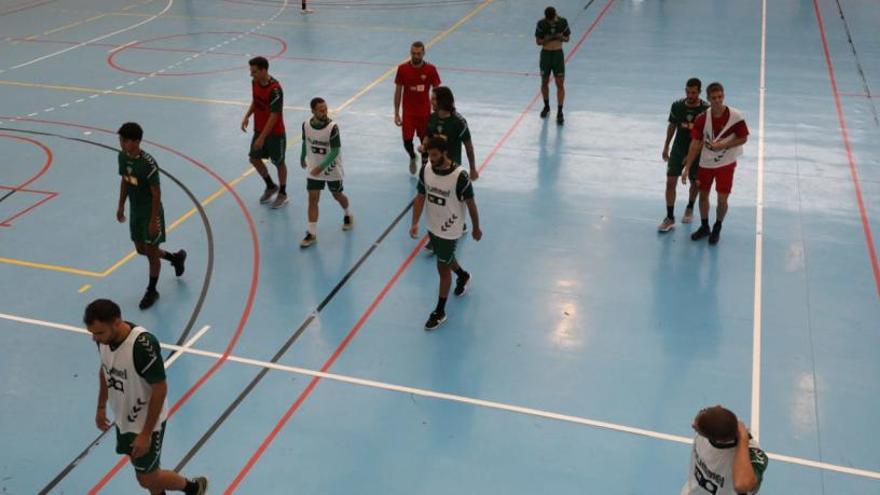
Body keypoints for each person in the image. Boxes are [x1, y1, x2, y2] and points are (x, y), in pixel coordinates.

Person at [85, 299, 207, 494]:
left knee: (148, 477)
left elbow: (160, 388)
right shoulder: (104, 341)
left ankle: (194, 488)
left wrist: (146, 433)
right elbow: (105, 370)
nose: (95, 339)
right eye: (92, 333)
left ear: (117, 322)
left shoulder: (142, 345)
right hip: (124, 418)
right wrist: (101, 406)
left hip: (148, 421)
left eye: (99, 333)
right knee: (144, 471)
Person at [410, 137, 482, 330]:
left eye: (434, 155)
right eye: (428, 154)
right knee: (447, 258)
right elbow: (420, 197)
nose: (430, 159)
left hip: (450, 229)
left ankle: (440, 311)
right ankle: (463, 275)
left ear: (444, 153)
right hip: (432, 226)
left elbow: (471, 203)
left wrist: (476, 227)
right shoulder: (426, 170)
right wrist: (415, 222)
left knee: (442, 268)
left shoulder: (460, 176)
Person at [116, 122, 186, 310]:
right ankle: (174, 258)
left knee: (152, 253)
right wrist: (121, 205)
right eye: (120, 140)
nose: (121, 143)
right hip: (135, 211)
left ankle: (152, 290)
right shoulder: (122, 157)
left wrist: (154, 221)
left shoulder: (148, 164)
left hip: (150, 212)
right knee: (141, 249)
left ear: (136, 141)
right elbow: (124, 180)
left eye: (125, 140)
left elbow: (156, 193)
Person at [682, 82, 749, 245]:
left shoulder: (736, 116)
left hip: (726, 164)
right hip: (706, 164)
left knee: (722, 199)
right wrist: (688, 167)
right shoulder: (702, 119)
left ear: (723, 96)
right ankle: (705, 226)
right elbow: (695, 144)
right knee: (703, 196)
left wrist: (723, 145)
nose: (717, 101)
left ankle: (717, 226)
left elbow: (743, 138)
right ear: (708, 99)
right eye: (714, 98)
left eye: (720, 97)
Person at [299, 97, 353, 248]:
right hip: (314, 168)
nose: (324, 112)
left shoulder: (333, 128)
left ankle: (348, 213)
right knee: (313, 199)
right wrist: (302, 156)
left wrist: (321, 167)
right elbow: (306, 141)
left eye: (325, 109)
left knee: (337, 196)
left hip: (331, 168)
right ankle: (311, 233)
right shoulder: (306, 125)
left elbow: (335, 151)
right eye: (321, 110)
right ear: (313, 111)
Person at [681, 405, 768, 495]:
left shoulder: (752, 455)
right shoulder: (713, 420)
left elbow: (742, 485)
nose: (693, 424)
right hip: (694, 491)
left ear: (720, 440)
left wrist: (743, 439)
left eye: (697, 430)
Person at [659, 78, 708, 232]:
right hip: (678, 149)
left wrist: (691, 156)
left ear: (700, 92)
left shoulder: (706, 110)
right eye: (687, 91)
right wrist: (666, 146)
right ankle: (670, 217)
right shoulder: (677, 105)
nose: (690, 95)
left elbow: (705, 137)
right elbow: (672, 125)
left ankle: (690, 206)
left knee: (695, 182)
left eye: (693, 92)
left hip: (697, 150)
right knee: (670, 182)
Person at [241, 56, 288, 209]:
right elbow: (256, 101)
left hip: (275, 134)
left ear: (263, 70)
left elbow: (274, 116)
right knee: (254, 159)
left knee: (278, 163)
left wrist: (262, 137)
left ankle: (282, 192)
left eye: (254, 71)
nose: (251, 74)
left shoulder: (275, 90)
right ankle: (270, 186)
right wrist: (247, 116)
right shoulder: (255, 82)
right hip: (259, 129)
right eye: (251, 71)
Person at [394, 41, 441, 175]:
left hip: (425, 113)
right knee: (407, 141)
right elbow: (398, 91)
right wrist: (396, 113)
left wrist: (437, 112)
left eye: (418, 53)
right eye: (413, 53)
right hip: (408, 113)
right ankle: (413, 157)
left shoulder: (431, 70)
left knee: (425, 143)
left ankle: (424, 171)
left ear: (423, 53)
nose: (416, 56)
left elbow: (437, 91)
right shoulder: (402, 69)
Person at [423, 86, 478, 181]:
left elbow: (469, 147)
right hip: (435, 168)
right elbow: (427, 137)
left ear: (443, 101)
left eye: (434, 99)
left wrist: (472, 169)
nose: (431, 101)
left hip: (452, 171)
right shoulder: (432, 118)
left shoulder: (458, 122)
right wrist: (424, 146)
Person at [535, 6, 571, 125]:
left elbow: (567, 38)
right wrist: (549, 38)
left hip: (557, 55)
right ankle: (546, 106)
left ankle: (560, 112)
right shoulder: (541, 23)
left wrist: (561, 37)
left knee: (560, 83)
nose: (551, 21)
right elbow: (538, 42)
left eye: (552, 19)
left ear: (556, 14)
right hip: (546, 55)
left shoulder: (562, 21)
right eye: (549, 20)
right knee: (544, 82)